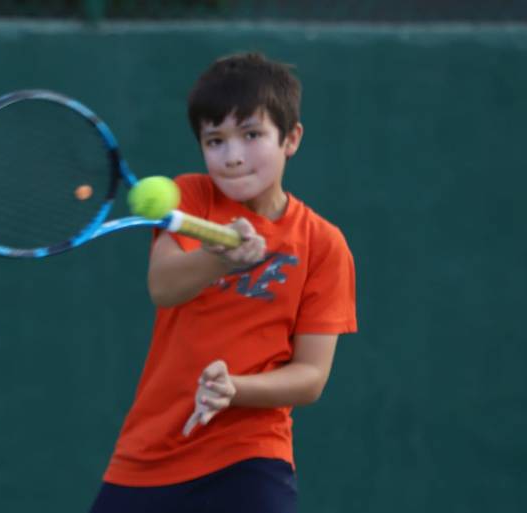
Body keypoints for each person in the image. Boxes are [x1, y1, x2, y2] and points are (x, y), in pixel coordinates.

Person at [89, 52, 357, 513]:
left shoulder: (323, 244)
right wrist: (219, 261)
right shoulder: (190, 198)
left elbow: (311, 377)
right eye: (215, 141)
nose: (232, 157)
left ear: (291, 138)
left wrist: (236, 388)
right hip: (148, 456)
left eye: (251, 135)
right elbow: (164, 286)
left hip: (250, 458)